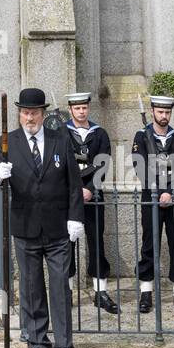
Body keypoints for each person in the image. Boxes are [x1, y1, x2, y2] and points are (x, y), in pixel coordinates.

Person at [0, 88, 84, 348]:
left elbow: (73, 182)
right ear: (19, 113)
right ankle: (37, 341)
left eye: (33, 112)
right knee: (31, 288)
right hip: (25, 226)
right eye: (24, 112)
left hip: (57, 226)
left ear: (43, 114)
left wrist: (75, 217)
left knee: (60, 287)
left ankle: (64, 344)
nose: (29, 117)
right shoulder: (9, 140)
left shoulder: (60, 138)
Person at [132, 95, 174, 314]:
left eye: (167, 112)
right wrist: (158, 190)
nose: (164, 116)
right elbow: (140, 166)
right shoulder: (142, 136)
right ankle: (146, 292)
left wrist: (169, 192)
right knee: (149, 245)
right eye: (160, 112)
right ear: (152, 112)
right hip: (151, 197)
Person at [64, 92, 118, 314]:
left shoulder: (100, 134)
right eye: (77, 108)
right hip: (68, 197)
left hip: (93, 195)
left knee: (96, 242)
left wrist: (89, 188)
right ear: (71, 110)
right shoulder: (61, 133)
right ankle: (65, 291)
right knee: (67, 244)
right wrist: (76, 190)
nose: (81, 112)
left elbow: (102, 164)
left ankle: (100, 291)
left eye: (84, 108)